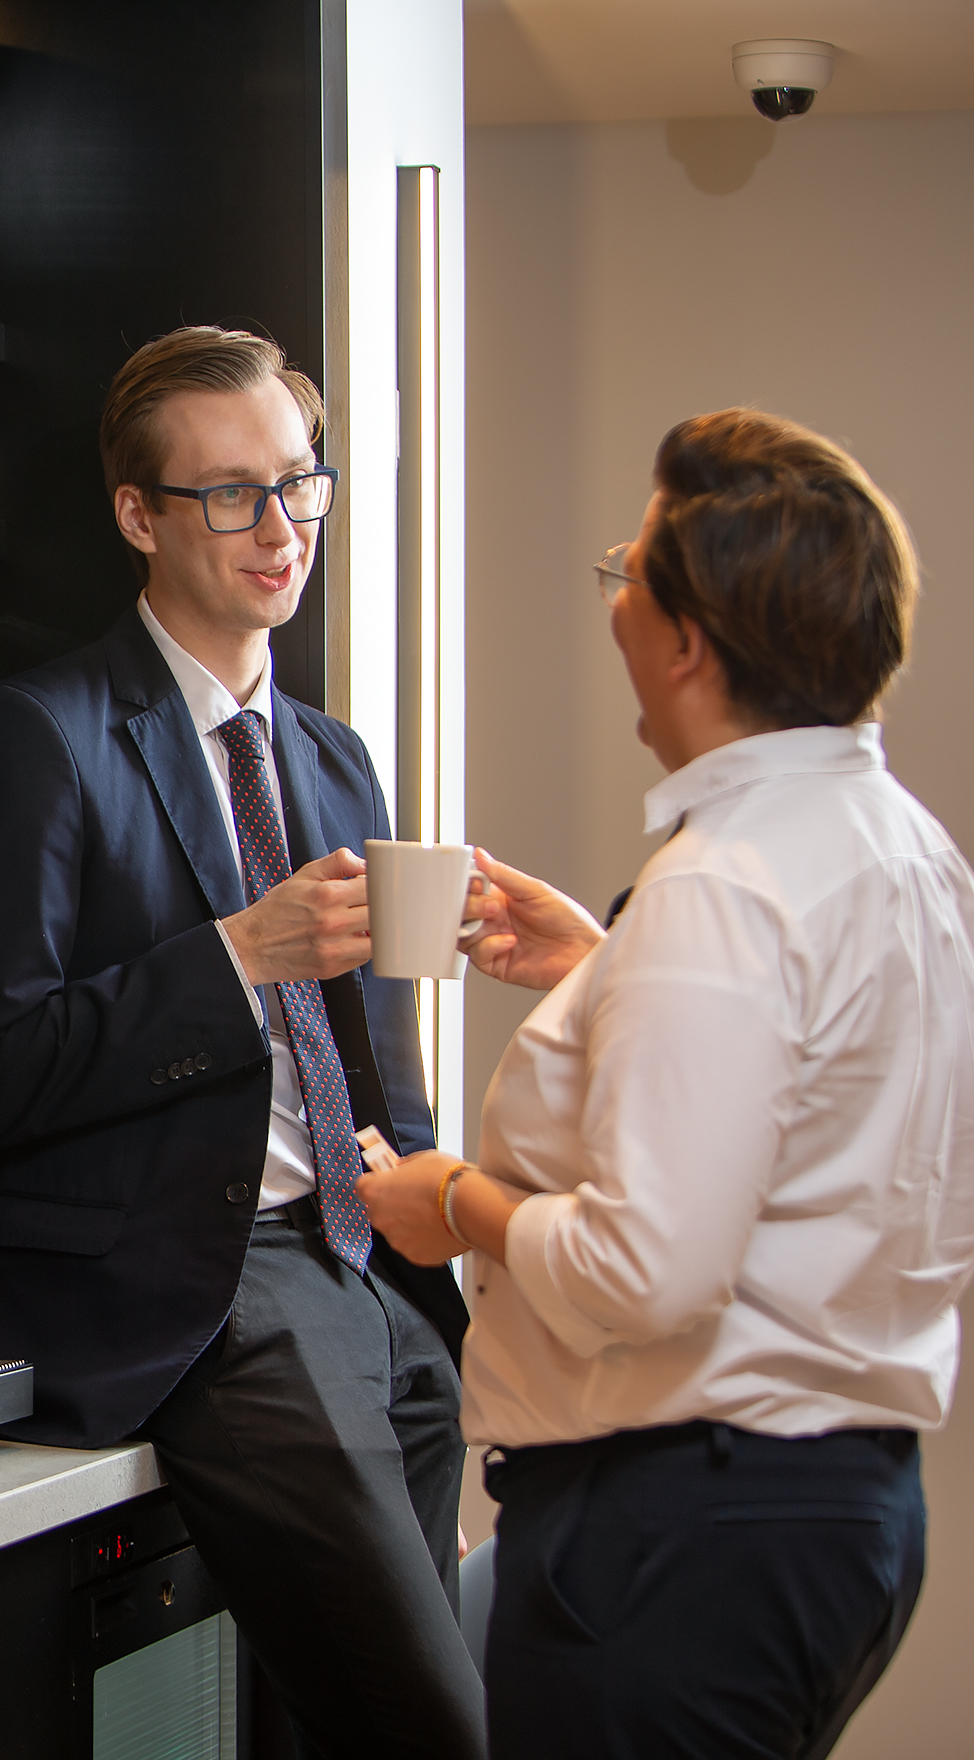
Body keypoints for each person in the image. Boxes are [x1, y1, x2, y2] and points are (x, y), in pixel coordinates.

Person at [360, 408, 974, 1760]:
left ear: (690, 640)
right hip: (840, 1513)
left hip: (681, 1538)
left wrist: (453, 1200)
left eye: (625, 573)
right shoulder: (902, 849)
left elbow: (647, 1273)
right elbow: (820, 1092)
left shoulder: (723, 891)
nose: (614, 605)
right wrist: (608, 967)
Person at [0, 325, 483, 1757]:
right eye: (231, 493)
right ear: (138, 517)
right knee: (436, 1725)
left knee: (337, 1725)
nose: (281, 526)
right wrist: (237, 956)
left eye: (301, 483)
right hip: (203, 1286)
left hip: (373, 1276)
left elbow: (374, 1049)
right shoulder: (37, 738)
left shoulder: (332, 755)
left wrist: (427, 1219)